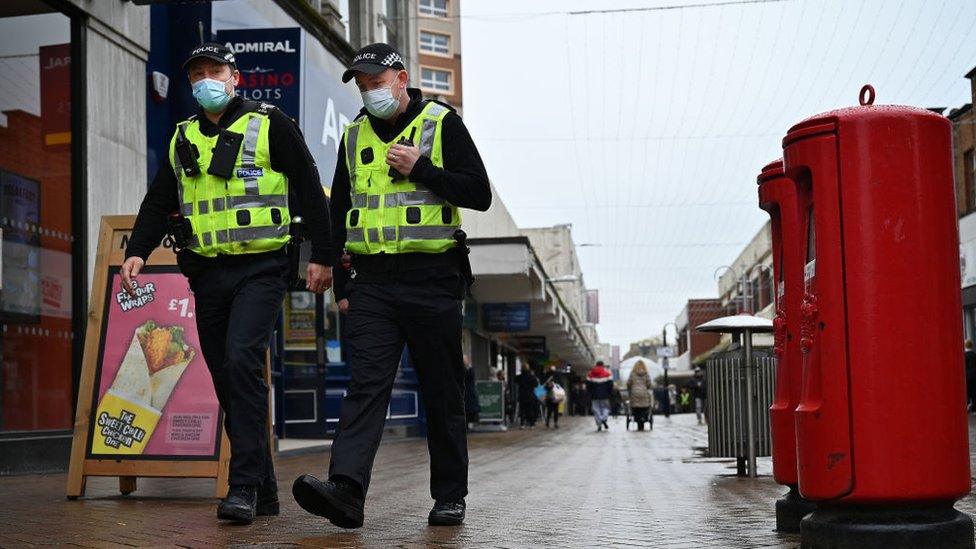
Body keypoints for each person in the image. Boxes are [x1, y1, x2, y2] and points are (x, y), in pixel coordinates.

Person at [122, 43, 333, 524]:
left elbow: (307, 184)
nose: (205, 80)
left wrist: (322, 256)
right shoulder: (181, 138)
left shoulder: (269, 123)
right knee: (226, 378)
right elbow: (159, 200)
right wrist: (136, 249)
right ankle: (265, 490)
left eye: (214, 70)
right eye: (196, 73)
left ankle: (240, 488)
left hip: (263, 267)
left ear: (234, 77)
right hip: (208, 273)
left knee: (241, 359)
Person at [291, 43, 491, 529]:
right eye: (362, 85)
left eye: (376, 82)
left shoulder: (442, 123)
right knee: (365, 386)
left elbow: (479, 194)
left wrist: (421, 168)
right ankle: (347, 490)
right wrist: (340, 281)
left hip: (434, 278)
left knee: (442, 390)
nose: (369, 91)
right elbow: (339, 212)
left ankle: (449, 496)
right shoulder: (354, 134)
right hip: (373, 283)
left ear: (401, 78)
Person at [626, 360, 654, 431]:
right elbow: (649, 384)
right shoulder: (646, 374)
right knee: (644, 407)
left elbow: (629, 383)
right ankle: (643, 417)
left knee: (635, 407)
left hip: (634, 393)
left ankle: (637, 417)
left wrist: (629, 388)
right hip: (644, 393)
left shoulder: (632, 374)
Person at [586, 361, 613, 431]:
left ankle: (599, 423)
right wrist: (609, 393)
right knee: (606, 408)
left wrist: (590, 393)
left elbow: (588, 386)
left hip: (594, 396)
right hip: (605, 395)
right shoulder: (607, 374)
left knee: (596, 409)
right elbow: (610, 385)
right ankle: (603, 419)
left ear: (596, 365)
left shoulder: (590, 374)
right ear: (603, 365)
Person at [463, 355, 480, 429]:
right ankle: (467, 424)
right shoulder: (462, 369)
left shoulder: (470, 370)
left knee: (471, 409)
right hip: (464, 393)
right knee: (466, 409)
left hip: (469, 392)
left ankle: (471, 423)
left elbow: (469, 376)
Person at [966, 341, 976, 413]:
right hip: (974, 376)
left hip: (967, 376)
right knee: (974, 392)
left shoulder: (964, 355)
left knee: (967, 392)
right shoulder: (974, 355)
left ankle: (968, 404)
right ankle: (974, 407)